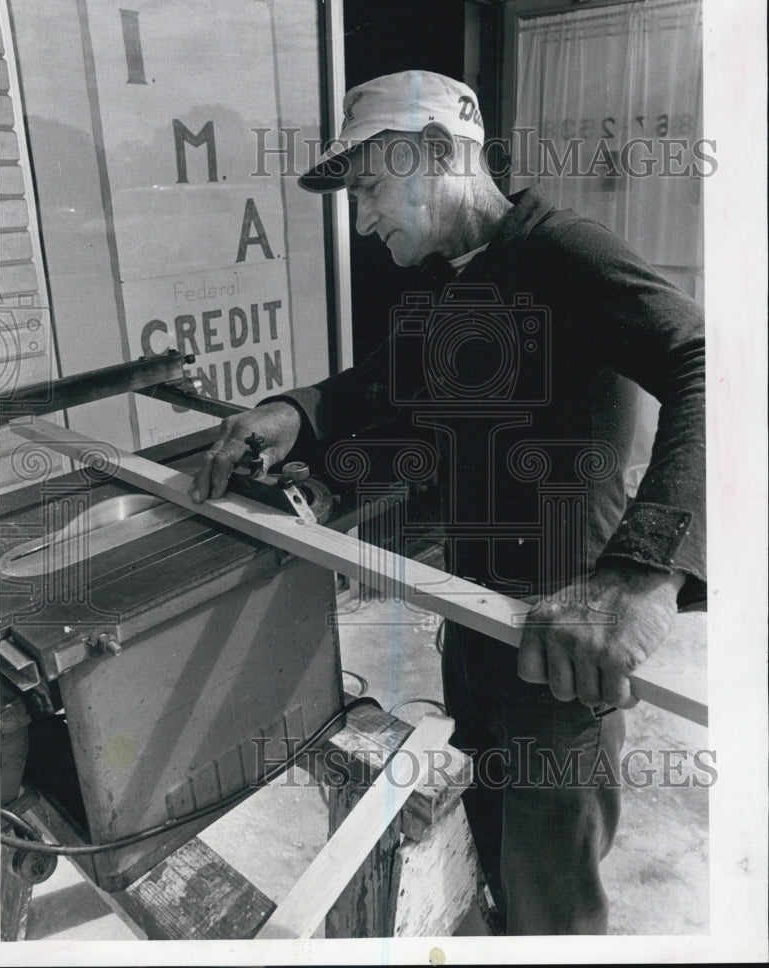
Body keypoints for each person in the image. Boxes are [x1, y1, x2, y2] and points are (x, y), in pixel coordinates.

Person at [189, 71, 705, 935]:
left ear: (435, 152)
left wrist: (641, 572)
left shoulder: (563, 254)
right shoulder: (445, 279)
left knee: (552, 886)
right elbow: (390, 385)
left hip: (560, 640)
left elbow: (712, 367)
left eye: (368, 188)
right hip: (474, 615)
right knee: (492, 833)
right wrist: (300, 411)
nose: (361, 220)